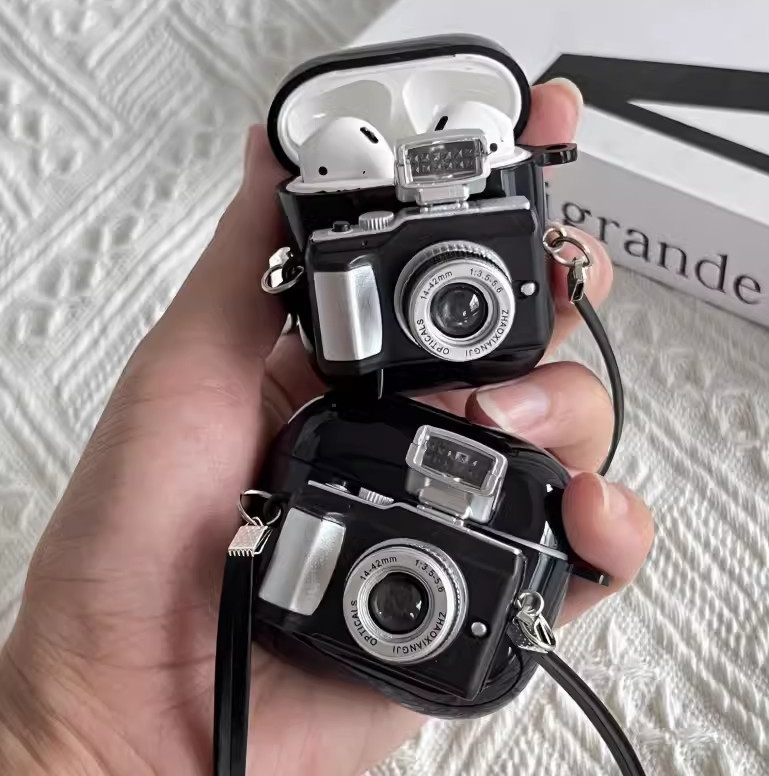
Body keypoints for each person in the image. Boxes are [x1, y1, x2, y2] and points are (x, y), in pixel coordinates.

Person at [0, 80, 654, 776]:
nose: (400, 600)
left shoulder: (330, 433)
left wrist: (76, 738)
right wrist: (77, 731)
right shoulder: (322, 429)